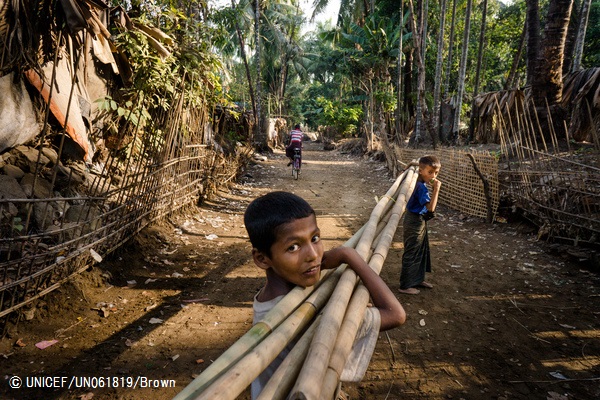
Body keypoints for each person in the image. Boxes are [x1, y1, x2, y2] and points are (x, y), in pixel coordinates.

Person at [244, 191, 406, 399]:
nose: (313, 255)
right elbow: (395, 314)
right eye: (293, 247)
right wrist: (350, 256)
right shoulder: (302, 319)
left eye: (315, 238)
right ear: (262, 259)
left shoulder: (271, 296)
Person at [399, 155, 442, 295]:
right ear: (421, 171)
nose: (433, 176)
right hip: (414, 220)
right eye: (430, 172)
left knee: (421, 249)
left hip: (418, 219)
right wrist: (436, 189)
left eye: (436, 173)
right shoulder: (421, 187)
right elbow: (431, 208)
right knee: (412, 251)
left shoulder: (417, 182)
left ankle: (417, 279)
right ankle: (405, 285)